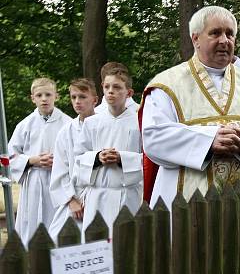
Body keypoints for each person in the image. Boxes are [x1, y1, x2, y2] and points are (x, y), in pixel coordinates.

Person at [141, 6, 240, 209]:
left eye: (230, 34)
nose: (224, 40)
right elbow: (154, 136)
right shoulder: (167, 85)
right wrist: (210, 141)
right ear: (195, 39)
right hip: (184, 203)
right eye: (215, 33)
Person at [74, 64, 142, 234]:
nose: (110, 91)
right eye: (106, 86)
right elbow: (78, 157)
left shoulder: (139, 123)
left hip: (127, 195)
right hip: (98, 197)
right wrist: (97, 157)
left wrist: (122, 158)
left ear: (129, 93)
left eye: (117, 87)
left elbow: (150, 159)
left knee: (126, 245)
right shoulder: (91, 122)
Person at [8, 77, 70, 244]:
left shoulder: (68, 123)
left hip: (58, 181)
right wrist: (31, 160)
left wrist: (59, 162)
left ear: (56, 96)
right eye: (39, 95)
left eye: (48, 94)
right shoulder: (25, 125)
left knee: (56, 224)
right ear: (32, 98)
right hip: (34, 181)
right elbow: (10, 155)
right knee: (32, 224)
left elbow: (76, 154)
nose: (44, 99)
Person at [48, 78, 98, 238]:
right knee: (58, 240)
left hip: (100, 195)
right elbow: (60, 170)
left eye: (82, 97)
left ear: (95, 100)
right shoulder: (65, 132)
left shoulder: (105, 126)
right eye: (73, 97)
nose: (77, 102)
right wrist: (71, 200)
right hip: (75, 198)